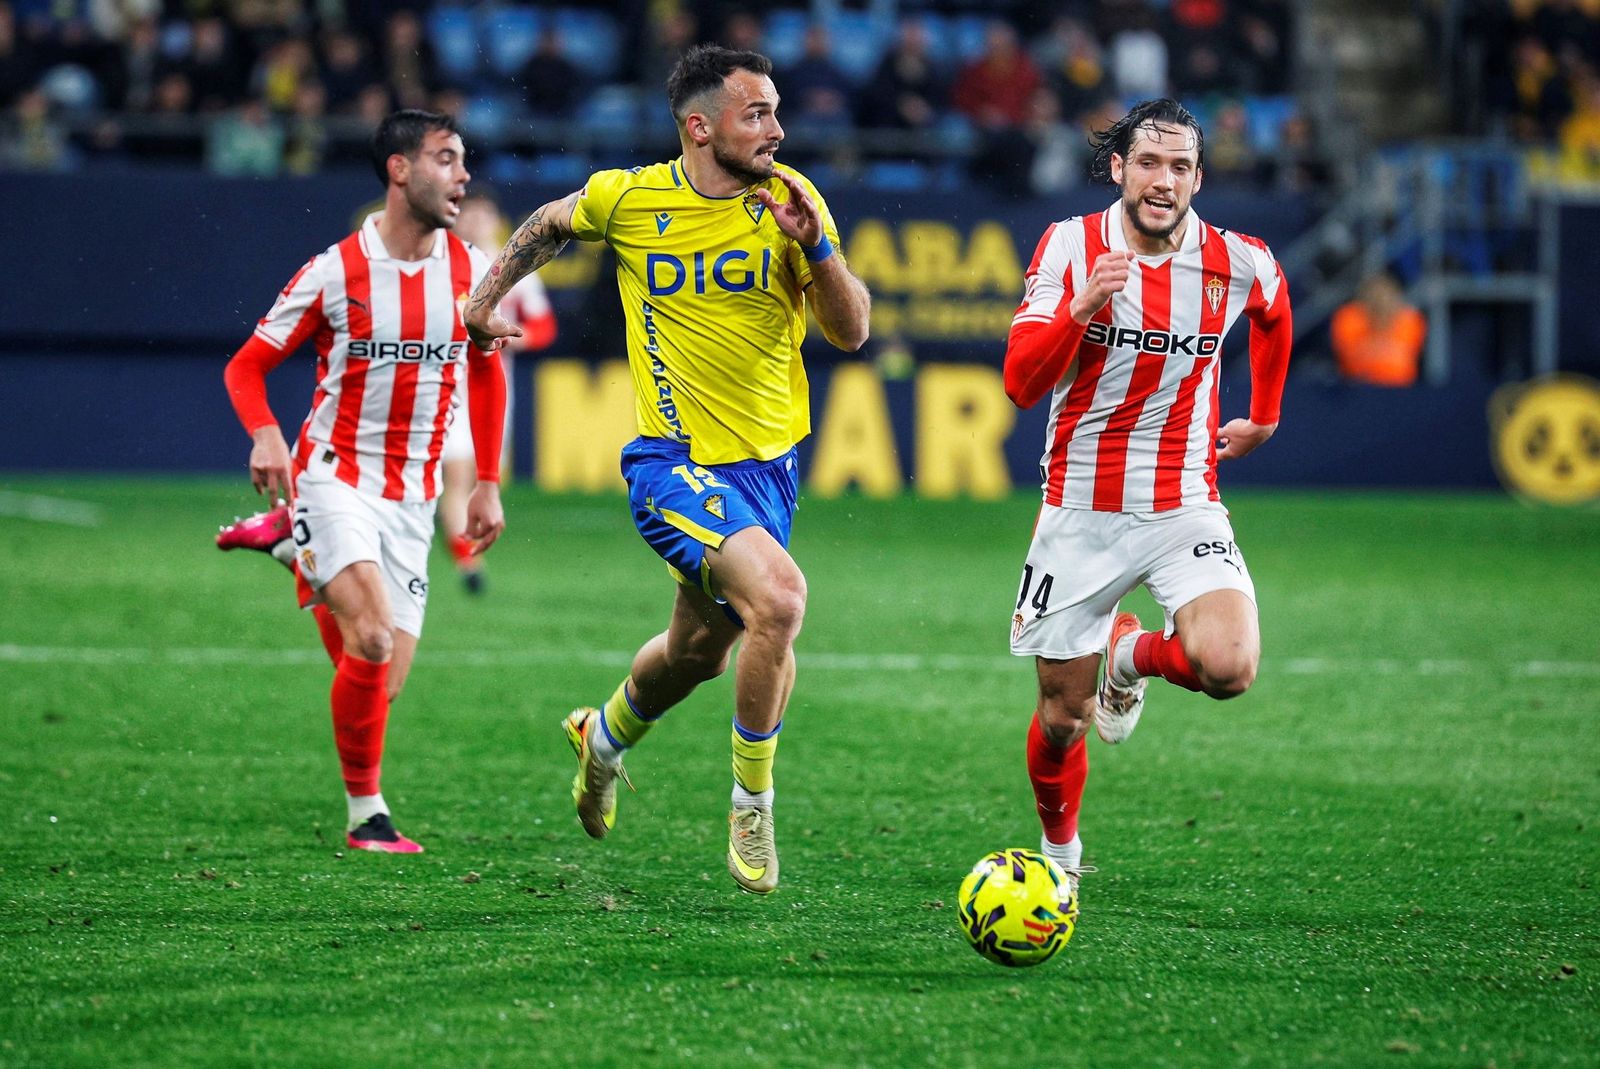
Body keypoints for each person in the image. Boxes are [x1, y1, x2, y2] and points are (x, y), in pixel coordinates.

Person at [462, 44, 871, 895]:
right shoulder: (632, 196)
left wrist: (820, 248)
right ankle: (751, 805)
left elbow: (852, 331)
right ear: (699, 126)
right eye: (756, 112)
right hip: (670, 463)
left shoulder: (790, 202)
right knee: (783, 601)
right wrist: (482, 301)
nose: (777, 128)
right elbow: (546, 223)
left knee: (698, 652)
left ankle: (602, 737)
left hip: (767, 472)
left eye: (775, 110)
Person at [1001, 98, 1292, 895]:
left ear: (1199, 177)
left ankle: (1130, 654)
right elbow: (1023, 384)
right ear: (1118, 168)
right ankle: (1060, 859)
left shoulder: (1235, 260)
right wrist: (1082, 305)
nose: (1164, 181)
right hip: (1080, 509)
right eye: (1150, 163)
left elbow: (1274, 308)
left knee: (1229, 664)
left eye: (1181, 166)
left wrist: (1263, 415)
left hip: (1181, 500)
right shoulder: (1069, 247)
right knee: (1064, 717)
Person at [216, 109, 507, 854]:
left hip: (412, 497)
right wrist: (267, 433)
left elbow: (485, 370)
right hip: (333, 477)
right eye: (446, 158)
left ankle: (295, 549)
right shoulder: (334, 272)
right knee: (372, 638)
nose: (463, 175)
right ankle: (366, 816)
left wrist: (487, 483)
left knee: (380, 677)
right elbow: (246, 366)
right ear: (400, 170)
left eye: (465, 159)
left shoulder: (473, 271)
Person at [440, 193, 557, 593]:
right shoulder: (443, 264)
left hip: (493, 379)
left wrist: (515, 338)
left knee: (477, 473)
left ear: (495, 221)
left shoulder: (514, 267)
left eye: (483, 214)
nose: (475, 221)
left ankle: (456, 534)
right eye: (468, 214)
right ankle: (468, 561)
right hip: (449, 379)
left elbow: (544, 327)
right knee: (456, 473)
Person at [1330, 272, 1424, 387]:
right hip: (1357, 390)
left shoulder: (1409, 319)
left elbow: (1403, 360)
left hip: (1400, 391)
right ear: (1363, 297)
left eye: (1386, 296)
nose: (1380, 301)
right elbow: (1352, 360)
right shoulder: (1347, 317)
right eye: (1374, 296)